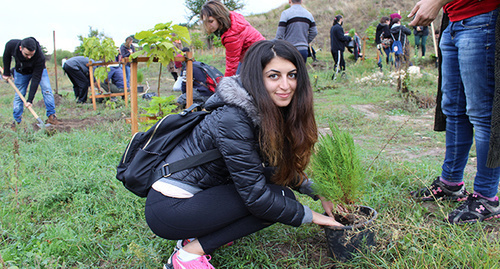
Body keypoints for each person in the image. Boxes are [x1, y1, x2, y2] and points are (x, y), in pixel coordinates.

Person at [144, 39, 343, 269]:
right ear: (257, 78)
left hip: (198, 194)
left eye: (292, 75)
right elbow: (256, 198)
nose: (286, 85)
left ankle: (197, 235)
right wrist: (314, 216)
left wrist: (318, 192)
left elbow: (270, 168)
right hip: (170, 208)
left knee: (279, 197)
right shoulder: (233, 118)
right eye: (274, 76)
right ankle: (187, 256)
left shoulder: (263, 109)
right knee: (276, 202)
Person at [409, 0, 500, 224]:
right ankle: (450, 183)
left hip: (481, 17)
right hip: (453, 23)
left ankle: (486, 197)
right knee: (454, 110)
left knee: (482, 114)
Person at [2, 37, 60, 129]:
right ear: (21, 48)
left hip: (38, 70)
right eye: (26, 54)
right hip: (21, 72)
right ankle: (17, 121)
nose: (29, 57)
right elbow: (6, 56)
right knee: (19, 95)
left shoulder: (40, 56)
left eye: (31, 55)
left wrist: (30, 100)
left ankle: (51, 116)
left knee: (47, 90)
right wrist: (6, 73)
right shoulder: (11, 45)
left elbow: (36, 79)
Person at [200, 0, 265, 77]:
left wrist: (225, 84)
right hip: (258, 52)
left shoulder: (231, 34)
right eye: (205, 22)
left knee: (240, 85)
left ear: (219, 17)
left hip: (257, 58)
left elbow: (231, 65)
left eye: (211, 21)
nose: (208, 25)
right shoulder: (233, 18)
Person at [330, 15, 351, 79]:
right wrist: (349, 38)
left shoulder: (333, 28)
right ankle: (336, 77)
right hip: (338, 49)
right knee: (340, 63)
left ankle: (340, 75)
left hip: (333, 48)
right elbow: (341, 37)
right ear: (340, 20)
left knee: (338, 62)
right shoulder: (339, 28)